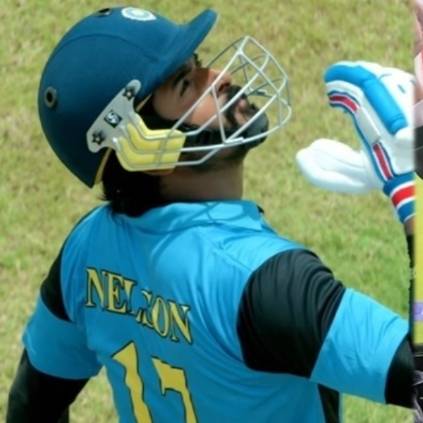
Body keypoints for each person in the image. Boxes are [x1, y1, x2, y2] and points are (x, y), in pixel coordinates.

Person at [6, 6, 415, 423]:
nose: (220, 79)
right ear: (143, 147)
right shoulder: (261, 281)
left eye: (198, 66)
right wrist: (411, 197)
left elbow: (31, 404)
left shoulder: (87, 251)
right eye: (187, 84)